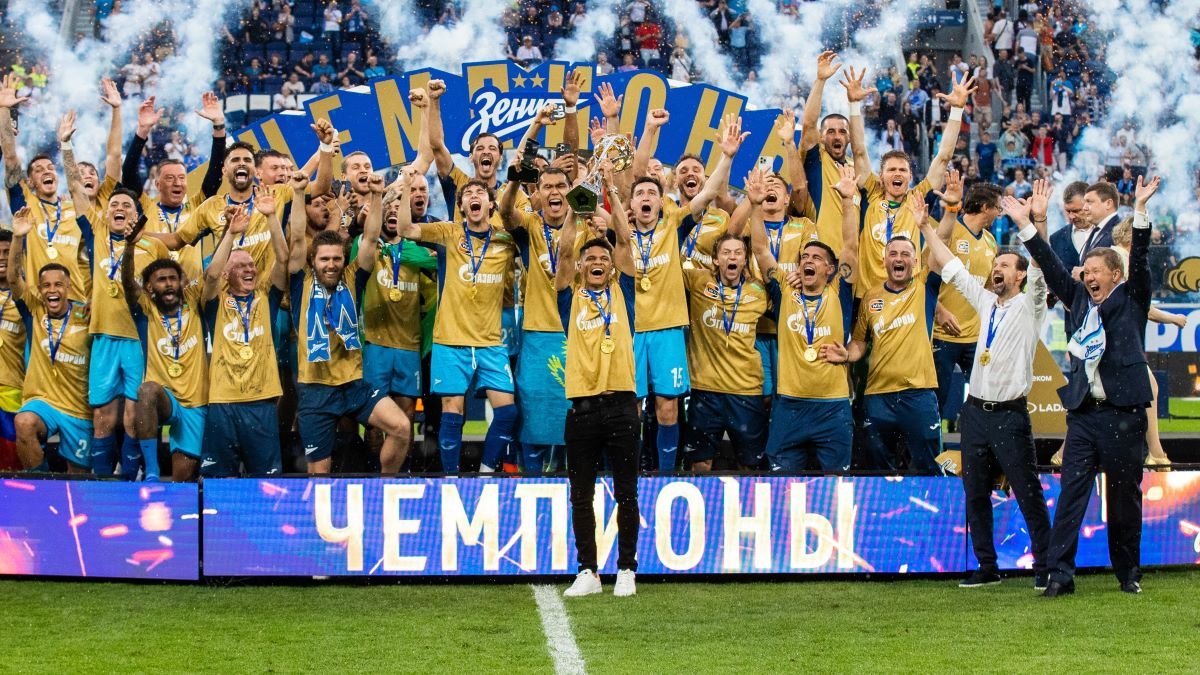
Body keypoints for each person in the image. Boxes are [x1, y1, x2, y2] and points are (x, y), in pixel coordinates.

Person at [1021, 175, 1161, 597]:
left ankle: (1128, 573)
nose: (1089, 277)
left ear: (1115, 275)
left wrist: (1140, 210)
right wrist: (1029, 225)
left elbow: (1140, 261)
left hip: (1123, 415)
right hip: (1084, 415)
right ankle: (1060, 575)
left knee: (1123, 499)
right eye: (1087, 272)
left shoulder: (1133, 299)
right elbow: (1050, 265)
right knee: (1071, 496)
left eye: (1097, 272)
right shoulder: (1080, 299)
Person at [916, 185, 1052, 590]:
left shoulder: (1031, 305)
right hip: (975, 412)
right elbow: (951, 265)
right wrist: (925, 227)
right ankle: (987, 566)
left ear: (1021, 275)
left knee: (1026, 492)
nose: (997, 268)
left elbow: (1042, 262)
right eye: (996, 263)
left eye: (1006, 264)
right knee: (974, 492)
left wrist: (1038, 221)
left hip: (1010, 415)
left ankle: (1045, 565)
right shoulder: (986, 302)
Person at [289, 173, 412, 474]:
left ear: (344, 260)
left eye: (336, 259)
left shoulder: (354, 277)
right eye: (324, 260)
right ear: (313, 261)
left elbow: (370, 238)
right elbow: (297, 237)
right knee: (319, 474)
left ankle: (386, 485)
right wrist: (298, 193)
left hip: (352, 384)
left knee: (401, 427)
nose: (331, 265)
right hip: (315, 390)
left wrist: (377, 196)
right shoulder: (300, 282)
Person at [553, 168, 639, 598]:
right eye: (590, 259)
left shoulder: (626, 294)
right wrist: (575, 207)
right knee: (581, 496)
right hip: (582, 409)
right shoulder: (568, 298)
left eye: (603, 258)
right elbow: (564, 251)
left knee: (627, 493)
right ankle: (588, 570)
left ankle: (626, 569)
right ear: (582, 267)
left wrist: (612, 194)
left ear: (612, 266)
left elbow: (624, 239)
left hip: (622, 406)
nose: (597, 262)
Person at [397, 179, 517, 474]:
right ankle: (452, 479)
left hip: (490, 342)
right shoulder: (447, 233)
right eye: (468, 194)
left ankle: (486, 472)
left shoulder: (506, 241)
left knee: (507, 412)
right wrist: (405, 189)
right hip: (450, 341)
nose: (474, 196)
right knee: (453, 411)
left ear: (491, 205)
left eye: (480, 193)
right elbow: (406, 229)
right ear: (461, 206)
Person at [751, 164, 859, 472]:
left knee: (836, 485)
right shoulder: (785, 289)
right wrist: (756, 205)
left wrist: (848, 201)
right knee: (782, 484)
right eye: (804, 257)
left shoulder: (839, 291)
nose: (808, 260)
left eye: (817, 258)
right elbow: (760, 249)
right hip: (790, 405)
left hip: (832, 406)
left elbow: (850, 246)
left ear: (830, 269)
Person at [848, 70, 974, 299]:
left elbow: (943, 157)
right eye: (891, 170)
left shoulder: (918, 197)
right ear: (881, 176)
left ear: (909, 176)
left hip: (908, 299)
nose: (897, 174)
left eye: (902, 170)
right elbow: (858, 151)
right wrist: (854, 106)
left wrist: (957, 110)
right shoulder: (872, 192)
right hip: (868, 298)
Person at [843, 197, 944, 474]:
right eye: (893, 254)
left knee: (929, 468)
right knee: (879, 472)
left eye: (905, 254)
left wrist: (947, 213)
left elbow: (942, 244)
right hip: (878, 396)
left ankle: (930, 505)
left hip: (918, 393)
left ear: (915, 261)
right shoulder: (871, 297)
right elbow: (860, 342)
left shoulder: (924, 286)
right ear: (884, 260)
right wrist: (845, 354)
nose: (899, 258)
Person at [199, 181, 292, 477]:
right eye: (242, 266)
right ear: (228, 273)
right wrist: (231, 234)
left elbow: (283, 260)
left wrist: (272, 217)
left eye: (252, 265)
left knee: (266, 482)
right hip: (222, 402)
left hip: (261, 402)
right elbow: (211, 275)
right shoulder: (215, 303)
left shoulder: (266, 297)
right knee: (218, 482)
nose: (251, 269)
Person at [352, 170, 436, 472]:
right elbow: (367, 236)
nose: (392, 210)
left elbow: (442, 260)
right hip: (375, 344)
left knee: (406, 417)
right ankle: (373, 474)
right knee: (375, 420)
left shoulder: (417, 251)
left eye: (399, 206)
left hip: (409, 347)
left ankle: (399, 475)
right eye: (388, 205)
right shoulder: (365, 246)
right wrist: (380, 201)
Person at [680, 229, 773, 472]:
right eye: (726, 252)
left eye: (738, 253)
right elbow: (666, 267)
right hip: (706, 390)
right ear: (715, 259)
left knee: (750, 465)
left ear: (745, 260)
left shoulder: (759, 291)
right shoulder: (698, 281)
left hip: (746, 389)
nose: (732, 257)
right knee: (700, 463)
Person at [8, 209, 93, 473]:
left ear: (69, 287)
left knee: (79, 479)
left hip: (79, 409)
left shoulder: (87, 314)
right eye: (46, 286)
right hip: (43, 402)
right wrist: (18, 238)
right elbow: (13, 278)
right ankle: (41, 483)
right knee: (23, 422)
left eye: (58, 285)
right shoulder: (35, 310)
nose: (52, 290)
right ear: (40, 290)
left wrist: (97, 302)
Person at [0, 85, 92, 303]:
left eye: (50, 168)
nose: (47, 171)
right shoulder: (25, 204)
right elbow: (10, 158)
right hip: (39, 301)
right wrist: (4, 110)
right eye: (39, 170)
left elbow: (76, 184)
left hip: (76, 302)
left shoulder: (73, 208)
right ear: (30, 182)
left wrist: (66, 144)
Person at [931, 175, 1003, 422]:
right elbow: (923, 279)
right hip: (942, 333)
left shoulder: (990, 241)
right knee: (936, 401)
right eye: (998, 208)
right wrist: (939, 310)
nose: (1000, 214)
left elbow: (990, 287)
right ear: (985, 207)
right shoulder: (950, 231)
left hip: (975, 336)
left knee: (986, 397)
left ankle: (980, 440)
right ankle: (935, 444)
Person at [0, 231, 25, 471]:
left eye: (7, 252)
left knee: (10, 465)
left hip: (12, 386)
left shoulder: (26, 298)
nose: (1, 257)